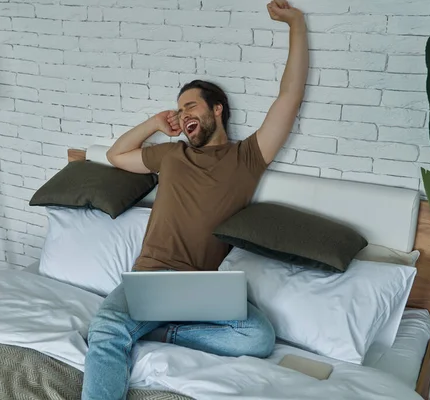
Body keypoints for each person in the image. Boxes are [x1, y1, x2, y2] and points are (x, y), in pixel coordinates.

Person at [82, 1, 308, 399]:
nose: (182, 113)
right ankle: (144, 327)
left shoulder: (248, 157)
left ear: (216, 110)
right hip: (151, 275)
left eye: (190, 105)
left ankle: (161, 329)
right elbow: (117, 156)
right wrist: (154, 124)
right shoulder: (171, 155)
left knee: (258, 338)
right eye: (179, 108)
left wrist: (296, 23)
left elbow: (289, 96)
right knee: (105, 330)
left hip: (202, 289)